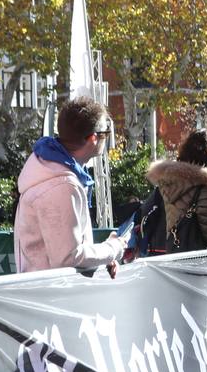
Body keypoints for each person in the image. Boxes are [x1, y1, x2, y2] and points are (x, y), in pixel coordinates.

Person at [14, 98, 126, 273]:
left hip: (49, 290)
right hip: (53, 294)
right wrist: (113, 249)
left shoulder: (50, 170)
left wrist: (103, 257)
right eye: (107, 132)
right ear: (93, 138)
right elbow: (67, 258)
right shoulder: (61, 186)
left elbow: (67, 252)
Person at [146, 130, 207, 253]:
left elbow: (181, 210)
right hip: (196, 263)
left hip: (172, 255)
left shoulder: (169, 181)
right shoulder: (206, 186)